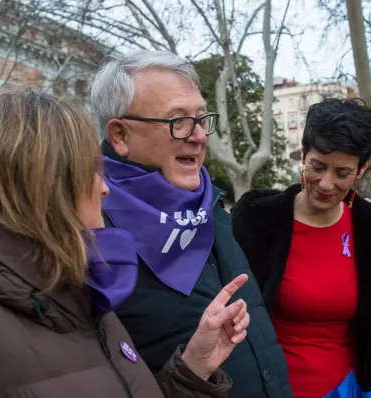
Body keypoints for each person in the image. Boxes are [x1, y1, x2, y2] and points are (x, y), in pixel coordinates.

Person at [0, 88, 251, 397]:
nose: (104, 188)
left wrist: (194, 366)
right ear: (38, 185)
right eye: (90, 171)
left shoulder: (79, 294)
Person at [90, 50, 291, 398]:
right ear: (120, 135)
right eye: (178, 121)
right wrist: (192, 370)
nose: (199, 136)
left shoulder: (209, 205)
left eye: (201, 118)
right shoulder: (91, 230)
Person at [231, 98, 371, 398]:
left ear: (361, 170)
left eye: (342, 173)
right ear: (303, 155)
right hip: (268, 389)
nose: (325, 183)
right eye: (318, 166)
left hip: (349, 390)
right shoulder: (258, 216)